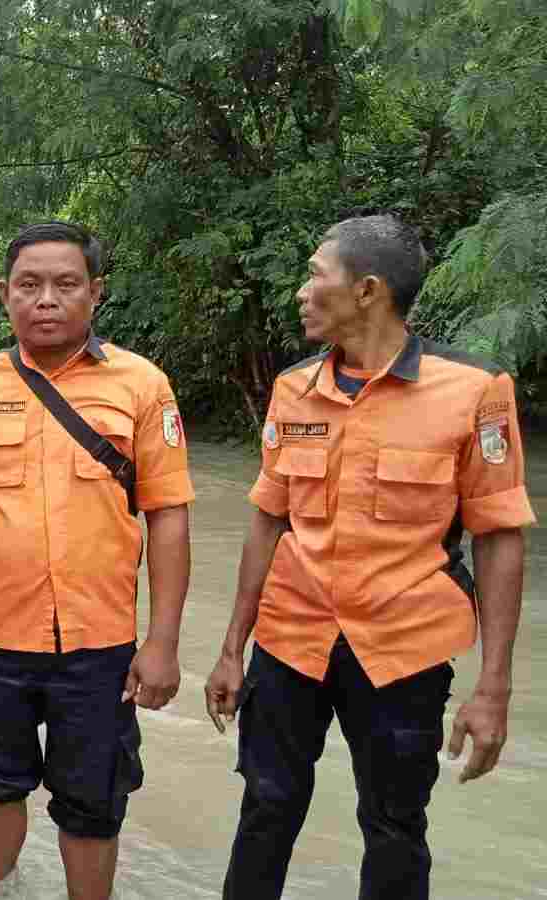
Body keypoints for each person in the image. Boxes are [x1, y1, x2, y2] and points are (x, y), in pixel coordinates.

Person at [204, 214, 535, 900]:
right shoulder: (294, 387)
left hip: (403, 648)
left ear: (367, 291)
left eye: (315, 275)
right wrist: (233, 647)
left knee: (393, 825)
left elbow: (499, 532)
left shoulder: (475, 391)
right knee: (265, 808)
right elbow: (269, 517)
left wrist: (493, 687)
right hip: (291, 641)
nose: (300, 291)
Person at [0, 221, 194, 898]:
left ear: (95, 294)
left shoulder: (142, 385)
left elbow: (170, 516)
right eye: (29, 285)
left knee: (94, 805)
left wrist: (161, 642)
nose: (46, 299)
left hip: (100, 646)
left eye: (66, 284)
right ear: (3, 294)